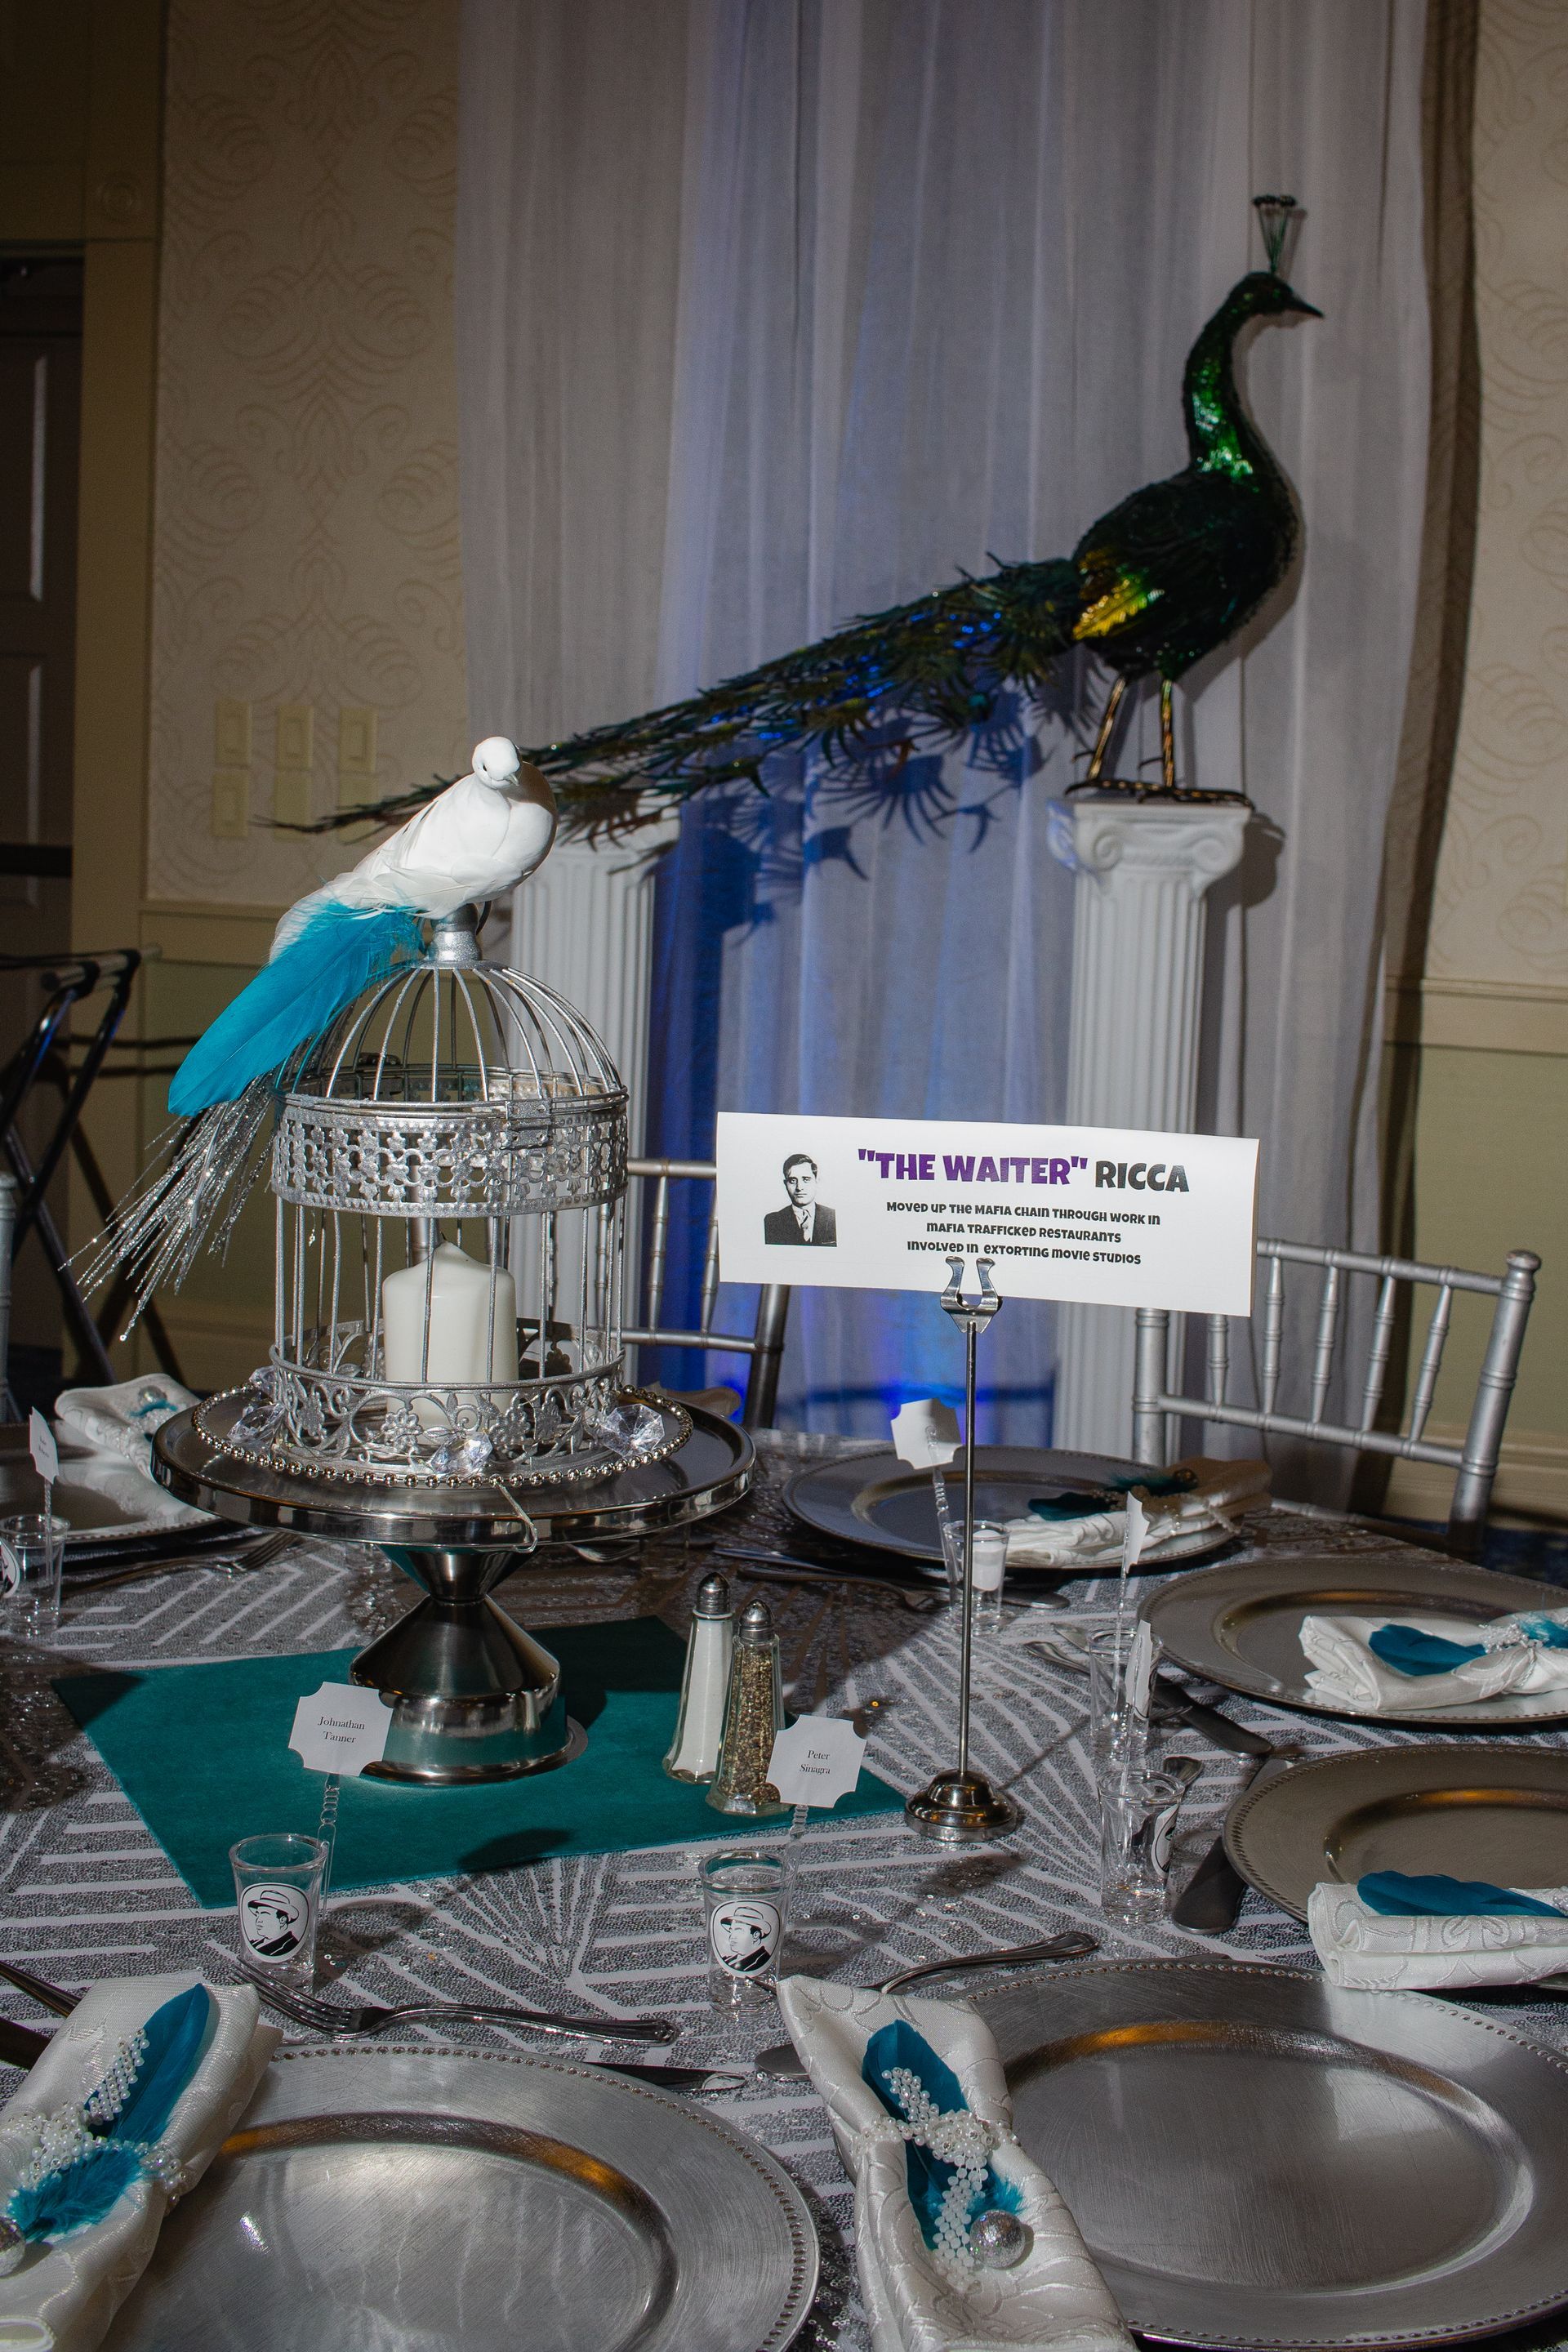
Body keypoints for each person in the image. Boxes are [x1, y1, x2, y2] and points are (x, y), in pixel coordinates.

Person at [763, 1152, 837, 1246]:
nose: (799, 1187)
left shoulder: (832, 1217)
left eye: (806, 1179)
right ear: (786, 1184)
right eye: (793, 1181)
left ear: (816, 1181)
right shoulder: (772, 1222)